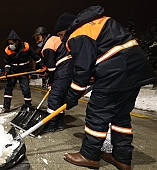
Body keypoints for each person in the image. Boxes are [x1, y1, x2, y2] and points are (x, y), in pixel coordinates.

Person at [54, 6, 157, 169]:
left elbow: (82, 70)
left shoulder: (78, 33)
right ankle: (122, 158)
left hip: (115, 72)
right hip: (135, 71)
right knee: (120, 116)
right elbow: (101, 54)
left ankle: (89, 155)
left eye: (60, 35)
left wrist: (72, 97)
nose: (61, 40)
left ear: (67, 29)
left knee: (97, 113)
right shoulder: (99, 22)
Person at [31, 27, 74, 132]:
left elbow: (51, 67)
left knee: (53, 99)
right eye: (36, 39)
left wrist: (51, 81)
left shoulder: (47, 46)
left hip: (62, 72)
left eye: (38, 38)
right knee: (60, 99)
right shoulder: (55, 39)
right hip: (70, 70)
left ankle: (51, 125)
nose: (38, 41)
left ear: (44, 35)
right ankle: (59, 124)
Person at [2, 30, 45, 113]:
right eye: (9, 43)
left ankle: (28, 106)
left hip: (24, 72)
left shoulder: (26, 47)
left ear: (17, 41)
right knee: (8, 90)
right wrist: (7, 71)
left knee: (26, 90)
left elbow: (35, 57)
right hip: (13, 72)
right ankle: (6, 107)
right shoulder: (7, 50)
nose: (11, 45)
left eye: (12, 43)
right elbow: (7, 63)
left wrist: (42, 65)